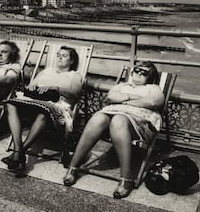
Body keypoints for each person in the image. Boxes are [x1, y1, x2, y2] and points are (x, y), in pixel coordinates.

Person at [63, 61, 165, 199]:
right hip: (112, 117)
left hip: (139, 123)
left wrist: (123, 100)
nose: (139, 74)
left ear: (151, 77)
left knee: (118, 119)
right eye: (137, 70)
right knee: (98, 117)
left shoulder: (153, 88)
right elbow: (110, 97)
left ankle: (126, 179)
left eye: (144, 73)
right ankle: (73, 167)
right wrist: (135, 98)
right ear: (132, 72)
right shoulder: (122, 85)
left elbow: (154, 102)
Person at [1, 46, 83, 172]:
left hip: (56, 104)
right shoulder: (46, 71)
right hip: (35, 101)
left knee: (44, 113)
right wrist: (33, 88)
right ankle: (19, 150)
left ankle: (18, 153)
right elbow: (31, 86)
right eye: (58, 55)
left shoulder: (74, 75)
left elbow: (75, 94)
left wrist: (56, 88)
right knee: (11, 104)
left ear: (72, 61)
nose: (60, 58)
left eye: (64, 56)